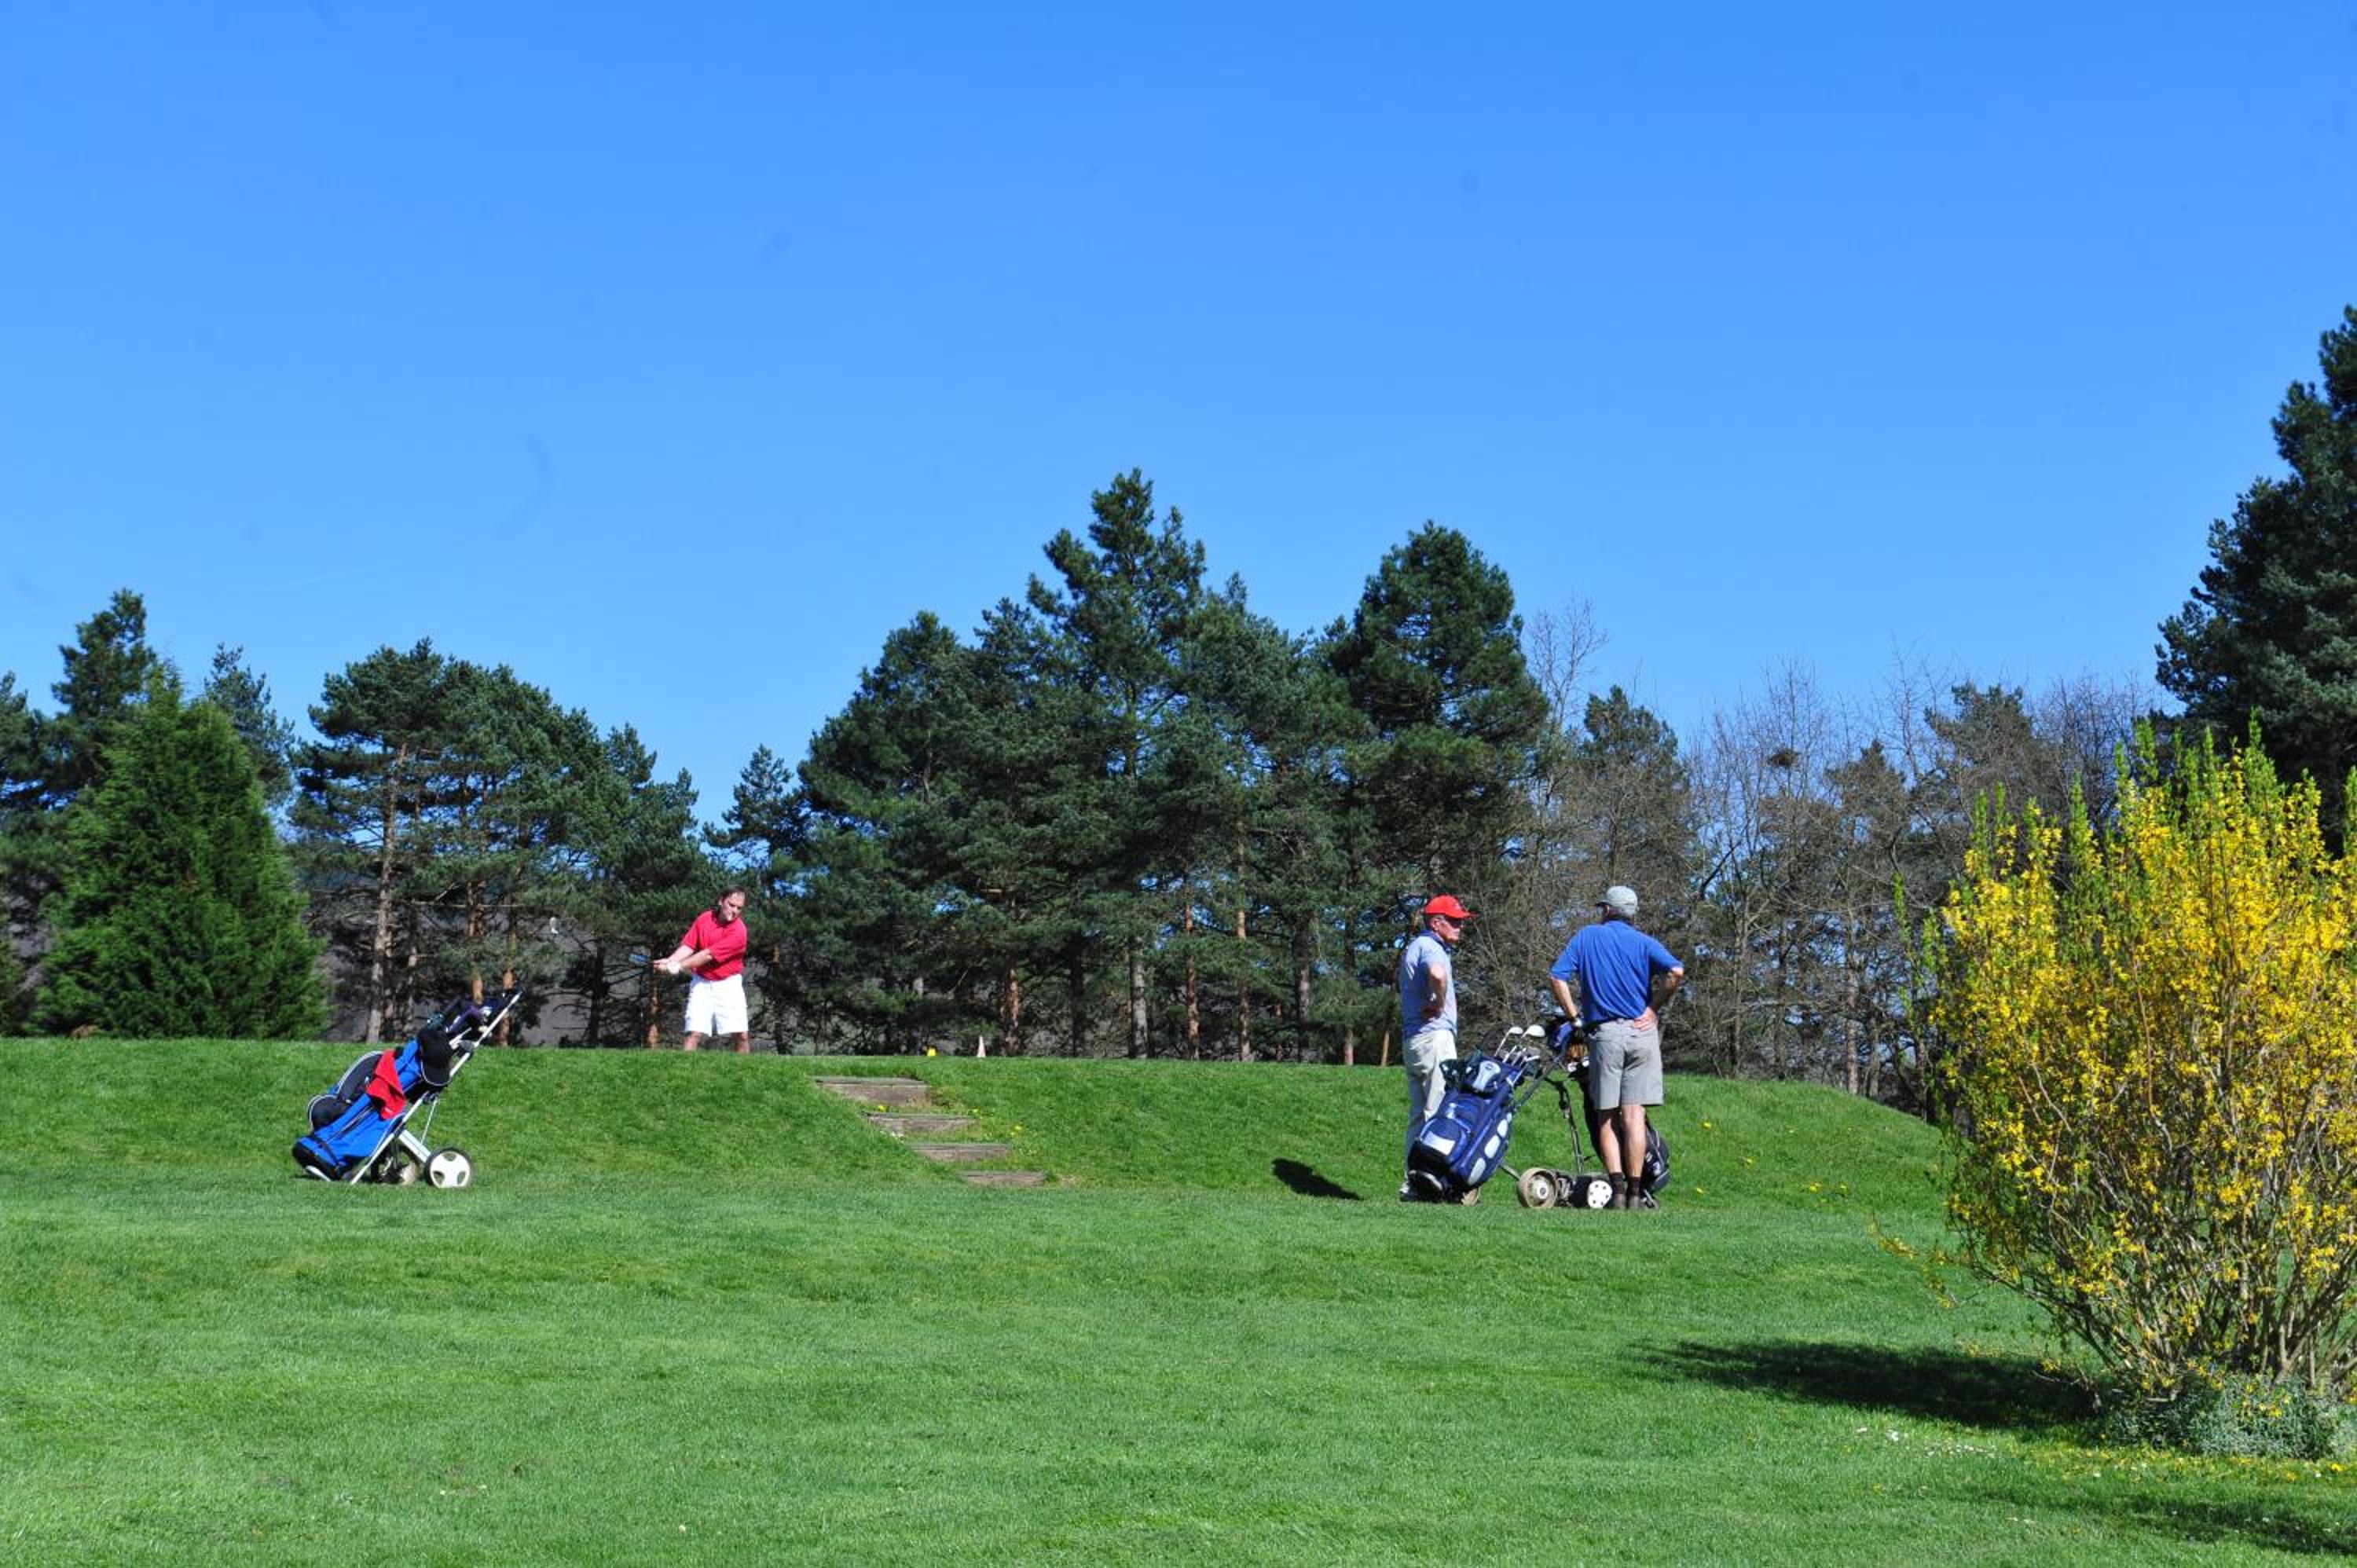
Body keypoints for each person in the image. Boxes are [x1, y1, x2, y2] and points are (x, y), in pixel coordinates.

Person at [1547, 885, 1684, 1210]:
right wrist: (1652, 1009)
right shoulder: (1644, 942)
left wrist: (1574, 1018)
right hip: (1642, 1034)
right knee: (1635, 1115)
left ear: (1607, 910)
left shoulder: (1587, 937)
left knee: (1606, 1114)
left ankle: (1618, 1191)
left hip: (1606, 1034)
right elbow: (1676, 972)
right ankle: (1637, 1194)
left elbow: (1557, 977)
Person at [1398, 894, 1472, 1200]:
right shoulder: (1431, 947)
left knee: (1419, 1116)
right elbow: (1438, 975)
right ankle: (1430, 1182)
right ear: (1436, 922)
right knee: (1439, 1111)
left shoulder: (1414, 946)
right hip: (1434, 1037)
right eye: (1454, 921)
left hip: (1413, 1040)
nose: (1460, 927)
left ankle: (1412, 1183)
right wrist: (1440, 1004)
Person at [656, 887, 752, 1053]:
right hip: (701, 982)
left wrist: (678, 966)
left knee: (741, 1035)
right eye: (731, 905)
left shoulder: (739, 931)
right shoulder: (704, 919)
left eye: (739, 907)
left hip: (728, 984)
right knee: (693, 1032)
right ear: (721, 901)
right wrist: (671, 960)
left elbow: (707, 955)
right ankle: (684, 1069)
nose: (735, 910)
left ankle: (745, 1068)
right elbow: (689, 945)